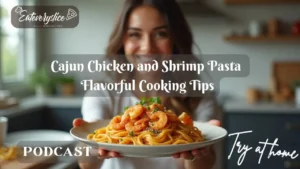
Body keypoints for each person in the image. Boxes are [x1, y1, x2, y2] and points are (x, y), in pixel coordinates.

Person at [73, 0, 222, 169]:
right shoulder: (102, 93)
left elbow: (203, 165)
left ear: (175, 39)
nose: (147, 47)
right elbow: (86, 163)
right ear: (122, 41)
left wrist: (199, 150)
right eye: (135, 34)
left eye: (160, 34)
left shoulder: (200, 97)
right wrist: (90, 147)